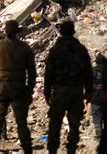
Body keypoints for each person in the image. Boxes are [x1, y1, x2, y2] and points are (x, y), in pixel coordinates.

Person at [0, 20, 36, 154]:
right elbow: (32, 71)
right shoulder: (25, 48)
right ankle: (27, 149)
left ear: (5, 31)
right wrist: (30, 90)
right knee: (21, 122)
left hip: (0, 87)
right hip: (18, 87)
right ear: (17, 32)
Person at [45, 21, 93, 154]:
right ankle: (71, 150)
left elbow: (48, 73)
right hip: (76, 92)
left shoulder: (55, 50)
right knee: (74, 124)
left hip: (59, 92)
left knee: (55, 124)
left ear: (61, 32)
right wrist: (88, 92)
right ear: (73, 32)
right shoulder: (80, 49)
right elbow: (88, 72)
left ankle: (52, 150)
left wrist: (47, 92)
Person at [91, 53, 107, 139]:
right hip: (106, 97)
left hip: (95, 97)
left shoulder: (92, 71)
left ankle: (98, 134)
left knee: (96, 116)